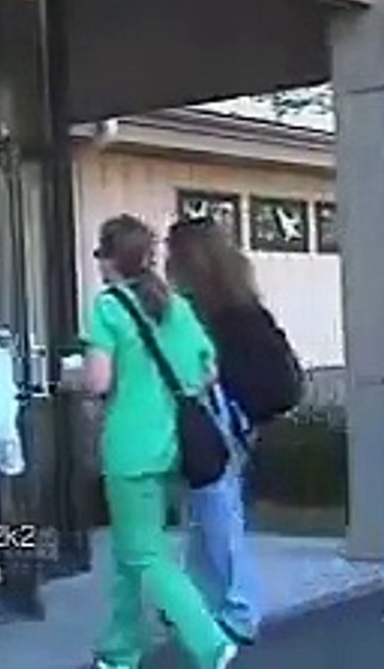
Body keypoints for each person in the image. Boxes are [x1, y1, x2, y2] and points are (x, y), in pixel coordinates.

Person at [82, 214, 238, 669]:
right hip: (169, 443)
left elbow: (98, 381)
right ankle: (120, 650)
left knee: (144, 553)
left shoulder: (108, 307)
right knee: (131, 552)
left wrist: (76, 378)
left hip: (129, 448)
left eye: (100, 255)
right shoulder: (175, 306)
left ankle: (209, 642)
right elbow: (207, 370)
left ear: (110, 260)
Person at [164, 217, 266, 647]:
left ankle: (241, 609)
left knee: (217, 512)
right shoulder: (242, 302)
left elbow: (201, 369)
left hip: (216, 416)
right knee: (208, 511)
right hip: (241, 417)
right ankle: (198, 596)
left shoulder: (199, 311)